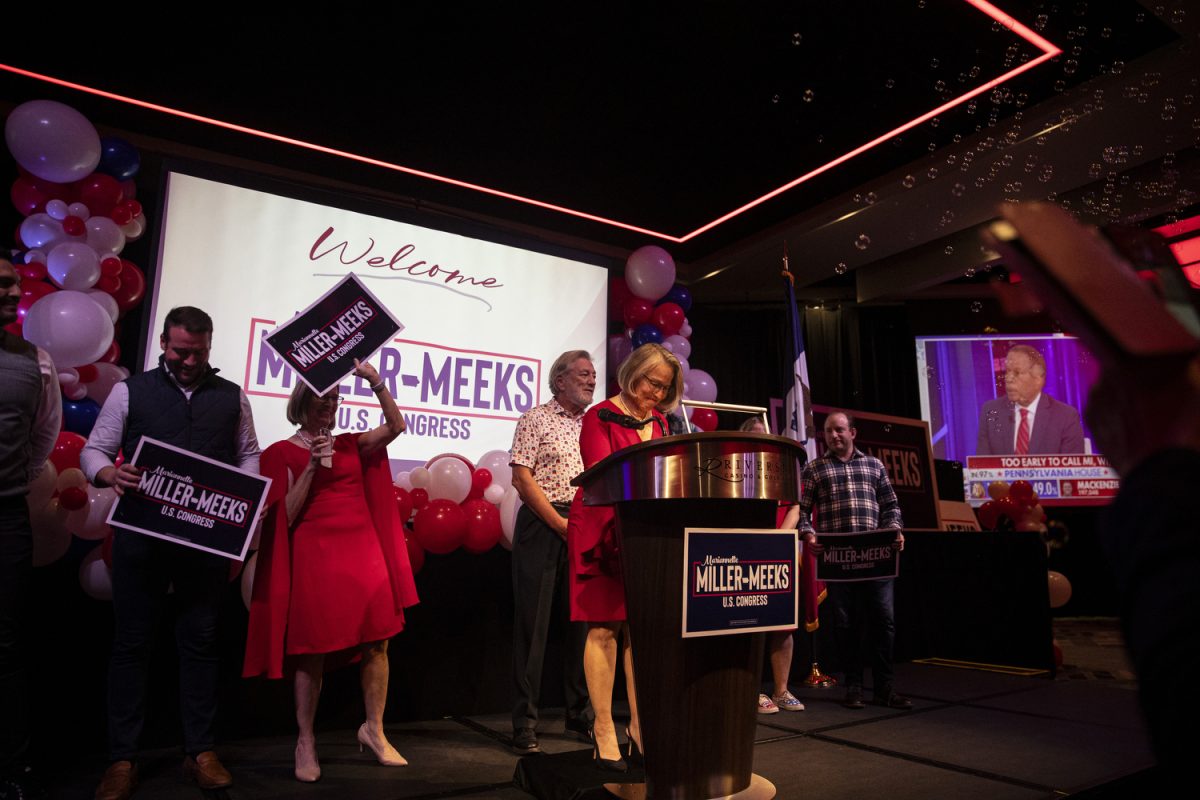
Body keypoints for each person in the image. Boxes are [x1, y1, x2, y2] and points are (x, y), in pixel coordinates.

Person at [81, 306, 261, 800]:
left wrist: (243, 493)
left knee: (200, 644)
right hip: (141, 539)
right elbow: (94, 451)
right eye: (181, 350)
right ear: (163, 343)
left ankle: (200, 751)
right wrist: (107, 474)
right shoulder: (129, 390)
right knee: (131, 646)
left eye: (199, 352)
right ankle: (122, 760)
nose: (189, 360)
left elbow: (248, 452)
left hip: (204, 543)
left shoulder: (232, 397)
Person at [243, 360, 418, 783]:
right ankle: (305, 740)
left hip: (363, 553)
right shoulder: (279, 453)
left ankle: (374, 729)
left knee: (379, 642)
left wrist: (376, 382)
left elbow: (396, 426)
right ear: (303, 401)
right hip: (315, 557)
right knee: (312, 652)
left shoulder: (351, 444)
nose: (332, 407)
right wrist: (308, 467)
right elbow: (281, 516)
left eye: (337, 400)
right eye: (325, 399)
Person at [568, 343, 682, 771]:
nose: (656, 392)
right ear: (633, 372)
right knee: (604, 630)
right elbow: (603, 474)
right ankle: (602, 728)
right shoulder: (599, 416)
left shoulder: (662, 422)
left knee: (641, 633)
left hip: (645, 534)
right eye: (652, 382)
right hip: (602, 531)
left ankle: (640, 726)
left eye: (664, 387)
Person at [508, 350, 595, 754]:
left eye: (593, 375)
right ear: (559, 381)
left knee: (582, 626)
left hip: (584, 522)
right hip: (544, 524)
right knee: (534, 628)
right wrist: (560, 525)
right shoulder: (535, 419)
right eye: (583, 374)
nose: (592, 380)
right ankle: (525, 723)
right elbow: (523, 480)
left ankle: (580, 717)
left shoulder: (595, 426)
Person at [798, 411, 910, 710]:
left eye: (839, 430)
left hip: (876, 561)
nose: (834, 436)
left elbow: (891, 506)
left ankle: (885, 689)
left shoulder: (874, 465)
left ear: (853, 433)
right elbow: (803, 514)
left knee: (883, 623)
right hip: (839, 563)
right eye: (828, 431)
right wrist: (809, 536)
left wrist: (896, 530)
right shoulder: (814, 469)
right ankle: (854, 688)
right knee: (847, 625)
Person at [0, 259, 61, 800]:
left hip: (6, 518)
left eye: (14, 282)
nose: (14, 291)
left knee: (6, 645)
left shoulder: (36, 361)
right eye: (3, 283)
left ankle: (11, 772)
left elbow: (43, 440)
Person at [737, 417, 806, 715]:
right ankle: (751, 691)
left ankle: (781, 690)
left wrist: (778, 541)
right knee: (747, 623)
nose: (760, 441)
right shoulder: (735, 468)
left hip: (779, 550)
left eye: (764, 437)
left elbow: (795, 506)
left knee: (782, 624)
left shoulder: (783, 467)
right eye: (754, 437)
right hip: (747, 549)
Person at [976, 344, 1085, 455]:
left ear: (1038, 379)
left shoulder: (1066, 416)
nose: (1008, 379)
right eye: (1007, 372)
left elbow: (1072, 470)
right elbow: (982, 467)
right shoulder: (991, 411)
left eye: (1017, 373)